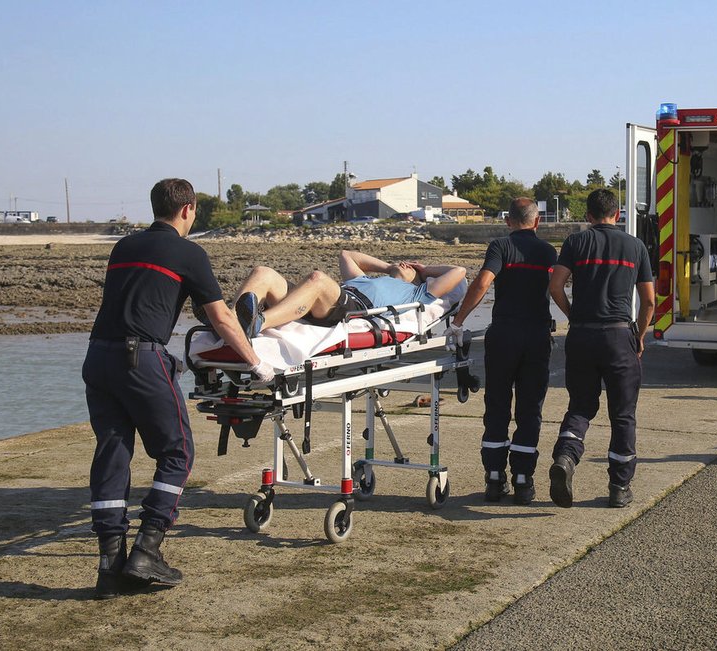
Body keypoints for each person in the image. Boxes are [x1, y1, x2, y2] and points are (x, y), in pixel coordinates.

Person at [83, 179, 272, 599]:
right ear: (188, 210)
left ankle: (109, 567)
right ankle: (148, 547)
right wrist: (257, 365)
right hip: (139, 359)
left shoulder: (123, 248)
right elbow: (222, 319)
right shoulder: (189, 253)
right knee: (178, 452)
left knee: (112, 453)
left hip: (98, 358)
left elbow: (138, 302)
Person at [547, 188, 655, 509]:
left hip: (582, 335)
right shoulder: (635, 246)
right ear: (618, 214)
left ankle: (565, 459)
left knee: (580, 406)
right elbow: (649, 300)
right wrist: (640, 334)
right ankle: (619, 487)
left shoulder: (575, 242)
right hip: (620, 337)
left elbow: (555, 286)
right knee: (622, 414)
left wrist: (573, 315)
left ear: (589, 216)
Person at [446, 198, 557, 505]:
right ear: (537, 222)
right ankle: (523, 481)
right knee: (529, 409)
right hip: (536, 335)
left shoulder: (500, 247)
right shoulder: (548, 252)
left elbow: (482, 282)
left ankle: (495, 479)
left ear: (508, 221)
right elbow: (555, 287)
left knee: (497, 406)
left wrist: (459, 321)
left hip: (504, 334)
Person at [233, 250, 466, 337]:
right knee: (263, 273)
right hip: (323, 300)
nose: (408, 264)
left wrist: (424, 270)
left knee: (318, 279)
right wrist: (389, 267)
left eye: (411, 268)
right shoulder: (364, 279)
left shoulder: (417, 293)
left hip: (351, 309)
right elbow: (347, 255)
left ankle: (259, 323)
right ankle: (229, 321)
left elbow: (459, 272)